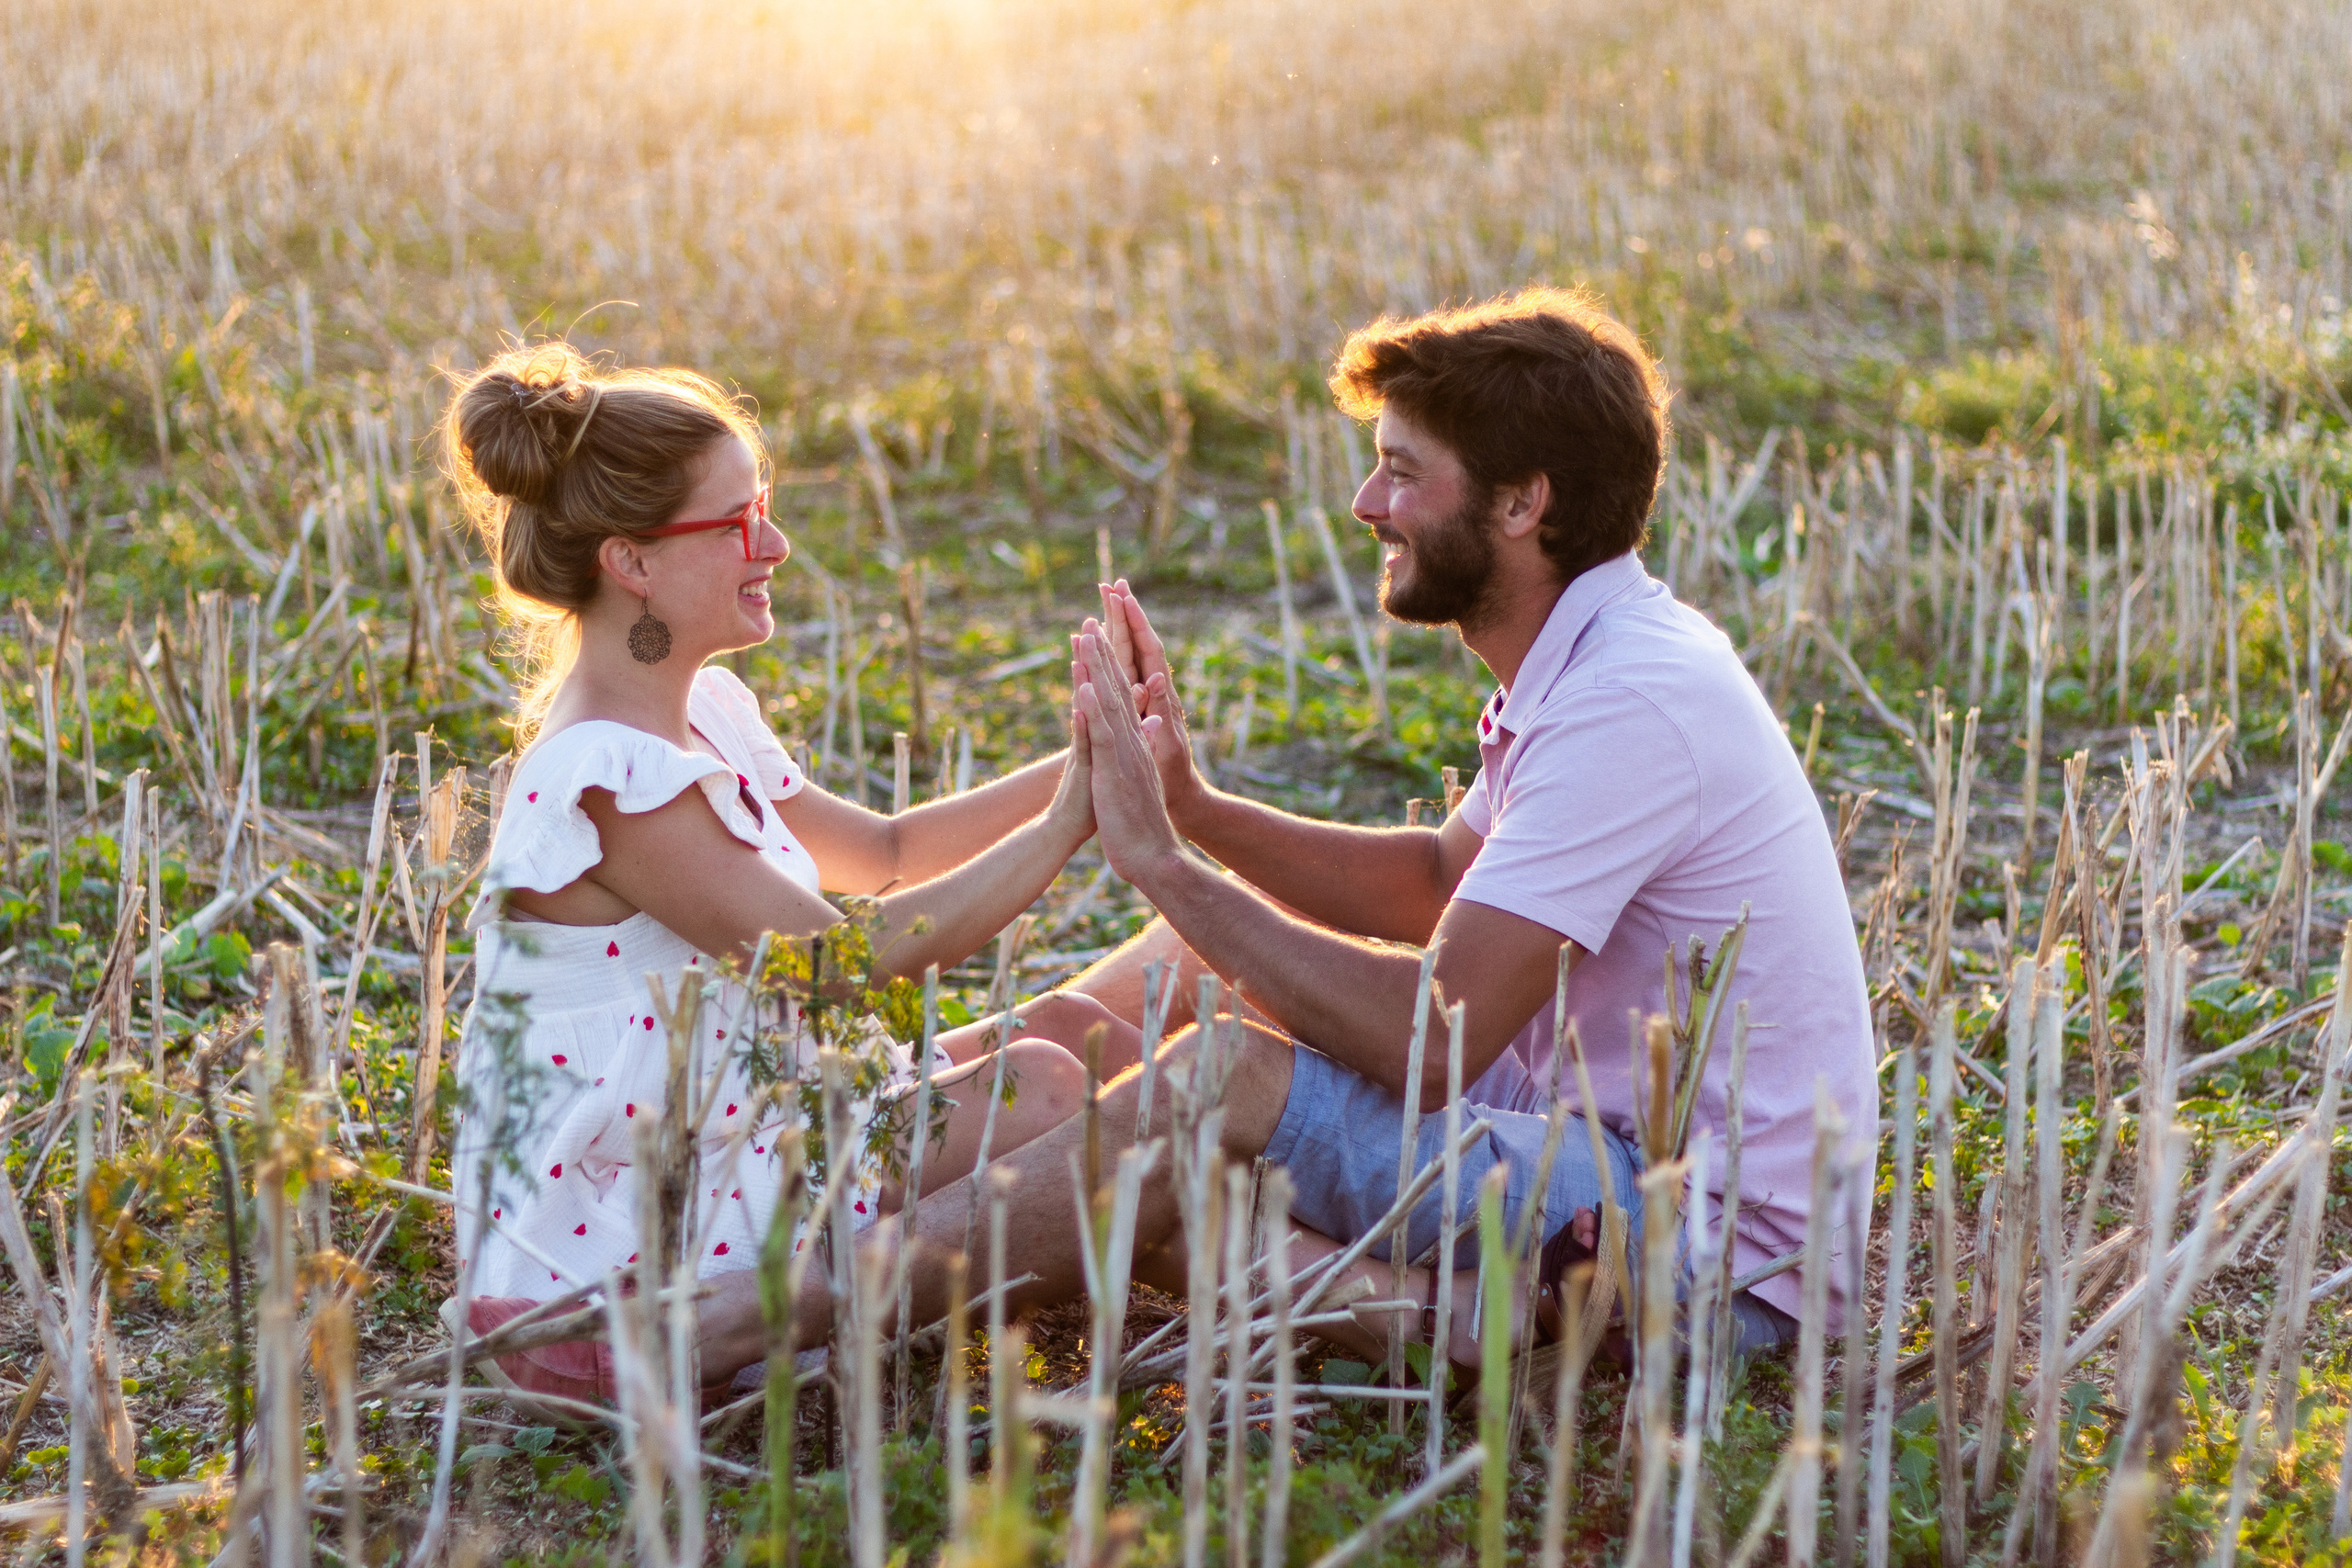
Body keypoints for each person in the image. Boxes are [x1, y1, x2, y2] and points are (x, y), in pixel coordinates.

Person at [812, 285, 1877, 1370]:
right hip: (1582, 1141)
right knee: (1181, 982)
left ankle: (755, 1310)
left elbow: (1437, 1038)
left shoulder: (1631, 703)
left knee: (1215, 1077)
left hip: (1690, 1235)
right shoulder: (1605, 653)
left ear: (1521, 505)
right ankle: (817, 1145)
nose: (1369, 501)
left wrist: (1166, 864)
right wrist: (1197, 809)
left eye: (1404, 472)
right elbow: (1433, 881)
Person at [439, 344, 1123, 1405]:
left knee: (1083, 1027)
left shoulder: (702, 711)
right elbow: (844, 965)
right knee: (1047, 1087)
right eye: (737, 523)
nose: (776, 543)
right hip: (617, 1255)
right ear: (633, 562)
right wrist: (1072, 825)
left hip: (737, 1126)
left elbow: (887, 853)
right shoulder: (609, 779)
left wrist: (1101, 750)